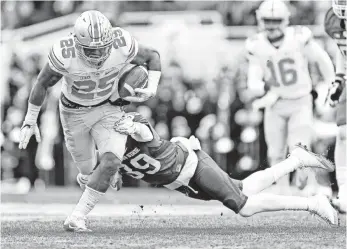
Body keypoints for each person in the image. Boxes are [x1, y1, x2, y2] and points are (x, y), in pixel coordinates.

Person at [65, 112, 338, 232]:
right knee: (243, 188)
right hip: (181, 183)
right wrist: (99, 175)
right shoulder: (104, 153)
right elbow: (116, 179)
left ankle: (312, 203)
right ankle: (296, 161)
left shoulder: (127, 122)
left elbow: (147, 134)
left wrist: (132, 128)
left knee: (243, 207)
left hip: (191, 165)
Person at [18, 10, 161, 231]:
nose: (99, 55)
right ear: (77, 43)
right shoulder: (65, 52)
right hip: (73, 113)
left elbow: (153, 56)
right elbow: (42, 83)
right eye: (92, 50)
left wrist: (151, 88)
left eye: (103, 48)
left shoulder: (121, 42)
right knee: (87, 172)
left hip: (108, 108)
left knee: (112, 161)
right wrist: (30, 119)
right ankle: (95, 175)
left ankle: (77, 217)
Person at [245, 0, 335, 194]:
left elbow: (321, 59)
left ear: (285, 20)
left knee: (299, 149)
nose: (271, 25)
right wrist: (259, 88)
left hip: (300, 100)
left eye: (275, 20)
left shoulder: (298, 37)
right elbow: (253, 76)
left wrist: (331, 81)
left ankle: (304, 181)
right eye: (267, 20)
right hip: (275, 103)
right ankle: (282, 191)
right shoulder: (256, 44)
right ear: (261, 20)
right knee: (275, 152)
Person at [324, 0, 346, 214]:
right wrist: (339, 78)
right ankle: (345, 192)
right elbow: (343, 50)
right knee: (343, 133)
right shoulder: (333, 19)